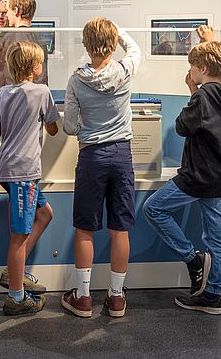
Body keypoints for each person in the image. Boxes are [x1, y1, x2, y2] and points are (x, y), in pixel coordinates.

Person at [142, 28, 221, 315]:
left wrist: (193, 92)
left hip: (198, 174)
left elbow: (182, 126)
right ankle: (212, 295)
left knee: (154, 209)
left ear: (201, 69)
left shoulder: (202, 97)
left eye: (191, 67)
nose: (189, 72)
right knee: (217, 235)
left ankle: (192, 259)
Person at [61, 18, 140, 318]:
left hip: (92, 156)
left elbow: (69, 126)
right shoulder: (125, 69)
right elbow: (134, 49)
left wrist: (85, 127)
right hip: (122, 154)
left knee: (85, 229)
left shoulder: (76, 80)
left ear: (85, 44)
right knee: (120, 229)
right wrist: (117, 31)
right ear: (112, 42)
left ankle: (82, 297)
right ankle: (116, 297)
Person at [0, 41, 60, 316]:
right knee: (19, 236)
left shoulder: (2, 94)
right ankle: (16, 297)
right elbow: (53, 129)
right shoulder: (42, 92)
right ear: (35, 67)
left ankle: (13, 271)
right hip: (24, 173)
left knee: (45, 215)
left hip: (9, 169)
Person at [0, 0, 48, 100]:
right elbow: (42, 77)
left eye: (7, 11)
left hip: (9, 101)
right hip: (33, 101)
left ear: (16, 11)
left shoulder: (9, 39)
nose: (6, 15)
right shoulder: (39, 40)